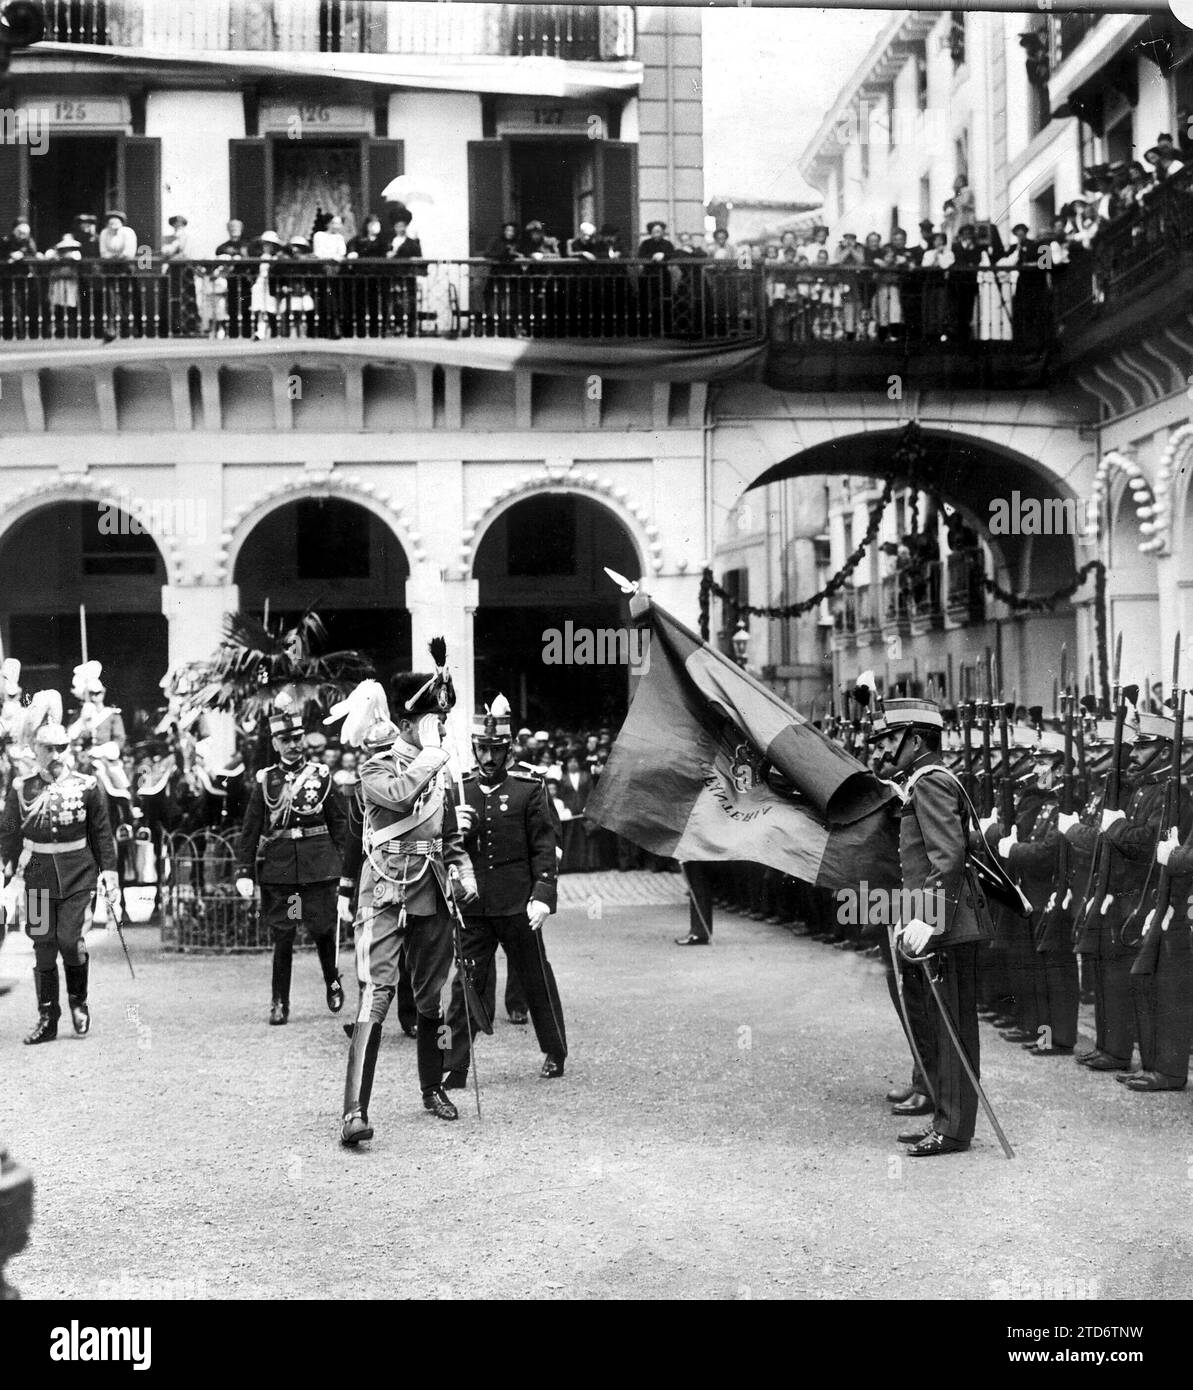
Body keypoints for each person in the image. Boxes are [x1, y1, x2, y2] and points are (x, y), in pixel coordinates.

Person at [338, 660, 479, 1145]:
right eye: (432, 721)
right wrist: (435, 756)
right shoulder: (375, 766)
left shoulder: (442, 770)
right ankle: (354, 1111)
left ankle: (432, 1087)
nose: (440, 730)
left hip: (431, 888)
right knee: (376, 995)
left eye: (442, 722)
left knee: (432, 996)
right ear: (405, 725)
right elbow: (398, 797)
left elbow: (452, 838)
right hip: (383, 889)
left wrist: (464, 874)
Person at [869, 697, 995, 1157]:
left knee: (953, 1028)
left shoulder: (931, 782)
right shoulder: (919, 782)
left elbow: (948, 857)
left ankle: (955, 1129)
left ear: (915, 739)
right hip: (942, 923)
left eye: (891, 740)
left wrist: (928, 918)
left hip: (948, 926)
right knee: (945, 1025)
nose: (884, 749)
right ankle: (947, 1121)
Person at [442, 694, 566, 1090]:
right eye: (483, 749)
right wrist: (454, 830)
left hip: (517, 903)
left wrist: (543, 895)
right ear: (474, 748)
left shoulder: (528, 789)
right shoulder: (458, 791)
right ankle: (453, 1063)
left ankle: (555, 1050)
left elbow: (544, 847)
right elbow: (443, 848)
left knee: (535, 978)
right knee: (466, 983)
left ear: (508, 748)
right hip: (475, 905)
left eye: (496, 750)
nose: (489, 757)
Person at [0, 692, 119, 1045]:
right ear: (34, 749)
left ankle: (78, 1003)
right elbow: (8, 833)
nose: (54, 755)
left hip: (77, 875)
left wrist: (108, 873)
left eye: (60, 748)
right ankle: (47, 1017)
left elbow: (102, 834)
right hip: (36, 876)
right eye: (47, 749)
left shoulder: (86, 786)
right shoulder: (22, 789)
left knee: (70, 941)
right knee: (42, 944)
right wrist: (4, 869)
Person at [1063, 714, 1168, 1074]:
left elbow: (1145, 843)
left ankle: (1134, 1056)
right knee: (1109, 973)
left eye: (1145, 745)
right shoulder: (1141, 789)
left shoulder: (1166, 792)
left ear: (1166, 749)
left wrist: (1115, 827)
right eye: (1135, 745)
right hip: (1119, 894)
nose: (1135, 753)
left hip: (1140, 896)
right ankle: (1113, 1049)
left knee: (1131, 981)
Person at [235, 704, 349, 1025]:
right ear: (275, 744)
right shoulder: (266, 781)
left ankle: (334, 984)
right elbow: (250, 830)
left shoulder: (321, 776)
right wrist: (244, 871)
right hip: (282, 871)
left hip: (318, 869)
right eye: (285, 739)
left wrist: (345, 869)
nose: (293, 745)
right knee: (283, 936)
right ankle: (279, 1002)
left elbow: (339, 824)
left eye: (297, 737)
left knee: (324, 932)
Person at [387, 216, 423, 335]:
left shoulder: (411, 242)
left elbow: (418, 255)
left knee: (410, 300)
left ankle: (411, 327)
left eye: (403, 226)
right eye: (398, 226)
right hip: (395, 274)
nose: (401, 229)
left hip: (408, 274)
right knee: (397, 301)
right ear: (394, 228)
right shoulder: (390, 241)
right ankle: (398, 326)